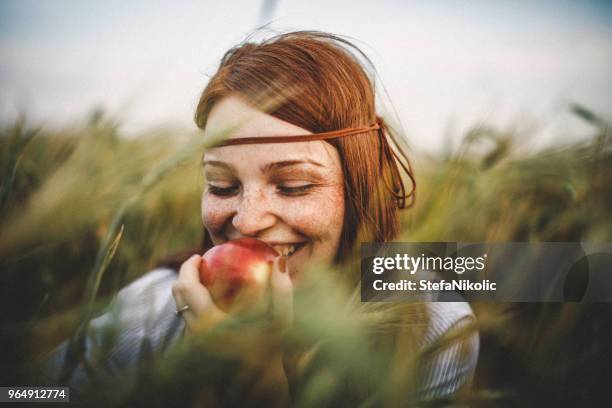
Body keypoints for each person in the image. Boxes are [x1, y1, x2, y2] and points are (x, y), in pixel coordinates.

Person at [42, 31, 478, 403]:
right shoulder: (153, 310)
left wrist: (260, 390)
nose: (247, 222)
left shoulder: (429, 332)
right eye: (222, 186)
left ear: (360, 188)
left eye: (293, 186)